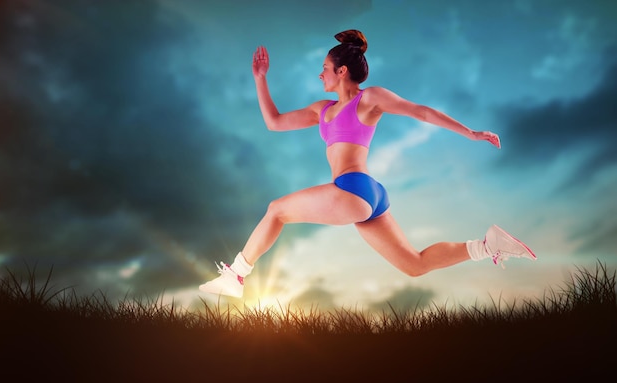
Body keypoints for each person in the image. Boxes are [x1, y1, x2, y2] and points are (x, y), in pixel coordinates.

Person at [200, 29, 536, 298]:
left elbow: (420, 110)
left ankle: (236, 276)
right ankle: (487, 245)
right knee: (414, 264)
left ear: (341, 71)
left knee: (276, 210)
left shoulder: (369, 99)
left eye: (324, 69)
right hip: (369, 195)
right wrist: (260, 78)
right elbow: (274, 122)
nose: (320, 76)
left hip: (353, 189)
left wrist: (471, 133)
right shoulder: (322, 109)